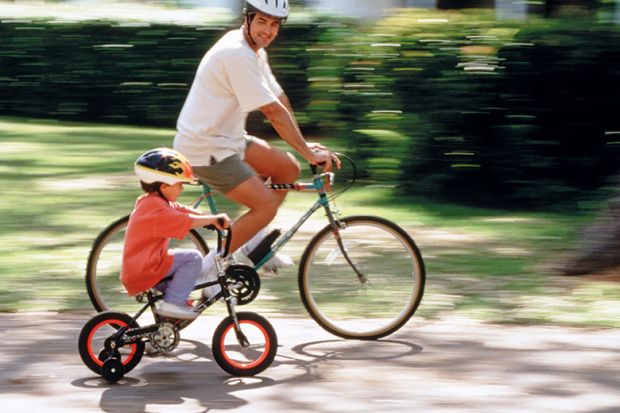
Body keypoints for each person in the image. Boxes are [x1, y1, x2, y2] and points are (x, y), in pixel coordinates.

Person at [173, 0, 340, 282]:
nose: (268, 30)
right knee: (265, 206)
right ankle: (206, 275)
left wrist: (304, 147)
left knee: (287, 167)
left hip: (229, 139)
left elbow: (280, 100)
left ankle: (253, 242)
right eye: (262, 21)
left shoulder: (253, 52)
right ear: (247, 19)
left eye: (275, 24)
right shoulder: (237, 54)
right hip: (205, 147)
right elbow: (272, 112)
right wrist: (309, 153)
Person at [120, 148, 231, 320]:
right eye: (179, 184)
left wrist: (210, 218)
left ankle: (162, 330)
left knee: (181, 288)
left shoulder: (152, 202)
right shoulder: (155, 208)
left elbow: (181, 210)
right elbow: (184, 220)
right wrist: (212, 220)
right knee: (192, 258)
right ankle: (172, 303)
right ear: (164, 186)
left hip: (145, 267)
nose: (182, 190)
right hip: (146, 269)